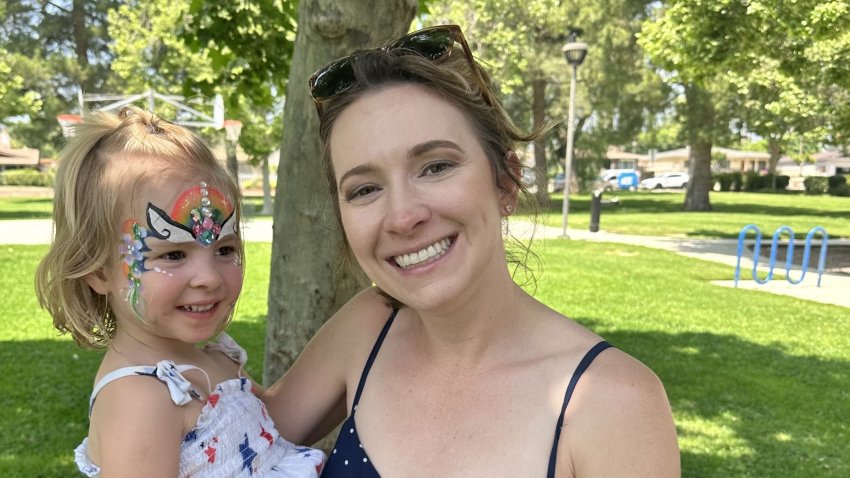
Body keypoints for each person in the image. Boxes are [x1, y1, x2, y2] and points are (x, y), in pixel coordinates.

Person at [262, 24, 679, 477]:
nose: (403, 216)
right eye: (364, 189)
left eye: (436, 166)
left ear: (506, 182)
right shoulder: (368, 326)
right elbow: (221, 435)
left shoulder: (612, 401)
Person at [35, 107, 324, 477]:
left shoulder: (211, 361)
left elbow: (270, 431)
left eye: (224, 249)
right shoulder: (139, 401)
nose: (209, 277)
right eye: (172, 254)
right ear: (97, 271)